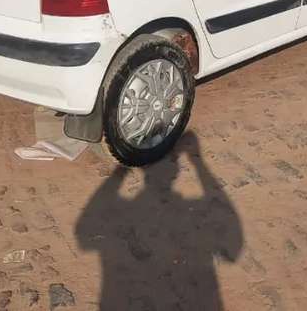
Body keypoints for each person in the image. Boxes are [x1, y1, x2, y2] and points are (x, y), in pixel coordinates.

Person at [76, 132, 243, 310]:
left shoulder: (129, 211)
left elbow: (85, 230)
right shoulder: (187, 211)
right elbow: (232, 244)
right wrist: (199, 163)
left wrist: (123, 166)